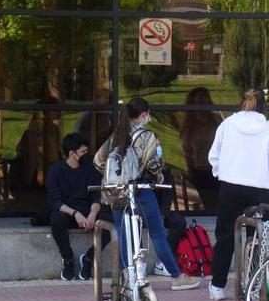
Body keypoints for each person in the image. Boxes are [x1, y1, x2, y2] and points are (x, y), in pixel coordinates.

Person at [93, 97, 201, 291]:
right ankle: (176, 276)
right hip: (141, 190)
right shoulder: (148, 137)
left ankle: (125, 278)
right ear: (143, 115)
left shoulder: (116, 135)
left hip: (118, 192)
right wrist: (157, 179)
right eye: (148, 114)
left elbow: (98, 161)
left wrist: (115, 176)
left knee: (123, 234)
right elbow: (156, 166)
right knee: (157, 234)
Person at [207, 88, 269, 301]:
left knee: (225, 236)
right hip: (258, 189)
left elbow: (214, 155)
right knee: (257, 238)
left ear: (242, 102)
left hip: (230, 186)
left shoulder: (227, 125)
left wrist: (221, 173)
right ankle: (253, 282)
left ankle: (217, 285)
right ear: (263, 106)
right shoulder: (268, 129)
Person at [45, 133, 111, 281]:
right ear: (72, 154)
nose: (86, 155)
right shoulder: (55, 170)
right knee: (57, 219)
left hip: (88, 212)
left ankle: (88, 259)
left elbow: (96, 197)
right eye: (83, 152)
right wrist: (75, 213)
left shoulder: (90, 169)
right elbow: (55, 201)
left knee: (110, 223)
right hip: (67, 212)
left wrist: (92, 215)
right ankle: (67, 259)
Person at [181, 87, 223, 211]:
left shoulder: (216, 121)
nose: (204, 104)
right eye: (200, 101)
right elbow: (188, 152)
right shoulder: (190, 127)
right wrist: (191, 173)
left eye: (206, 100)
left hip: (219, 171)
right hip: (200, 172)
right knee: (210, 205)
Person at [152, 165, 188, 277]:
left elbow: (168, 194)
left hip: (159, 211)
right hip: (142, 210)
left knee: (180, 221)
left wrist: (163, 214)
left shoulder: (163, 169)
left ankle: (164, 262)